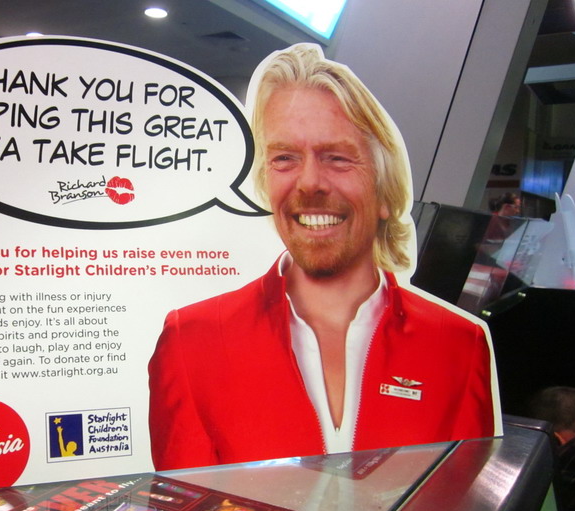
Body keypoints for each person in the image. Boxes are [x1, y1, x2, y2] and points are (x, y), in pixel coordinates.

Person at [148, 44, 500, 471]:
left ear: (384, 191)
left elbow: (463, 505)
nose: (309, 182)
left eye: (337, 158)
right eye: (284, 158)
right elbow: (184, 507)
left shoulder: (458, 346)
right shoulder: (192, 340)